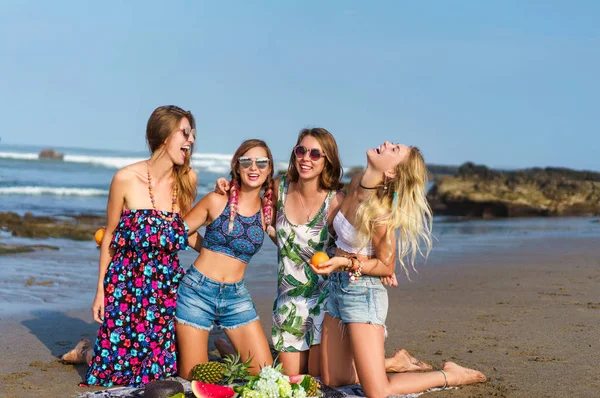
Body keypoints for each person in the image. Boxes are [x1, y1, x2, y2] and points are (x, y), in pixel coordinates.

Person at [215, 129, 432, 377]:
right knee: (289, 377)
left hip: (324, 300)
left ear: (327, 160)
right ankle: (391, 363)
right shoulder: (279, 188)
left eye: (316, 153)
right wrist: (226, 185)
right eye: (301, 150)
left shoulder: (336, 200)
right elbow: (248, 189)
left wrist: (378, 268)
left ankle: (389, 363)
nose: (306, 158)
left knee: (319, 374)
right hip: (289, 301)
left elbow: (354, 242)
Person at [310, 141, 487, 397]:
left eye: (394, 150)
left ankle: (449, 375)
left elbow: (386, 264)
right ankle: (397, 363)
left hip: (362, 295)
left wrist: (345, 262)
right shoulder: (357, 180)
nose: (387, 144)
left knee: (377, 393)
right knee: (334, 379)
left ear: (391, 172)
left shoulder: (380, 211)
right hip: (336, 289)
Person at [61, 105, 198, 388]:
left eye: (193, 134)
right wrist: (100, 290)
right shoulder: (125, 178)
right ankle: (85, 351)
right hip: (126, 286)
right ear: (164, 135)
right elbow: (110, 235)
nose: (191, 140)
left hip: (166, 289)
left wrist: (221, 253)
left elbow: (184, 231)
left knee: (156, 375)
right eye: (185, 133)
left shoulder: (187, 180)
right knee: (110, 373)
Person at [175, 139, 275, 380]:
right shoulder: (216, 200)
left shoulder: (268, 212)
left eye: (262, 162)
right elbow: (180, 231)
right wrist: (208, 249)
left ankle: (227, 349)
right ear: (237, 167)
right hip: (196, 293)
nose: (254, 168)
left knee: (265, 374)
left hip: (236, 298)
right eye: (246, 161)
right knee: (195, 378)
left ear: (269, 169)